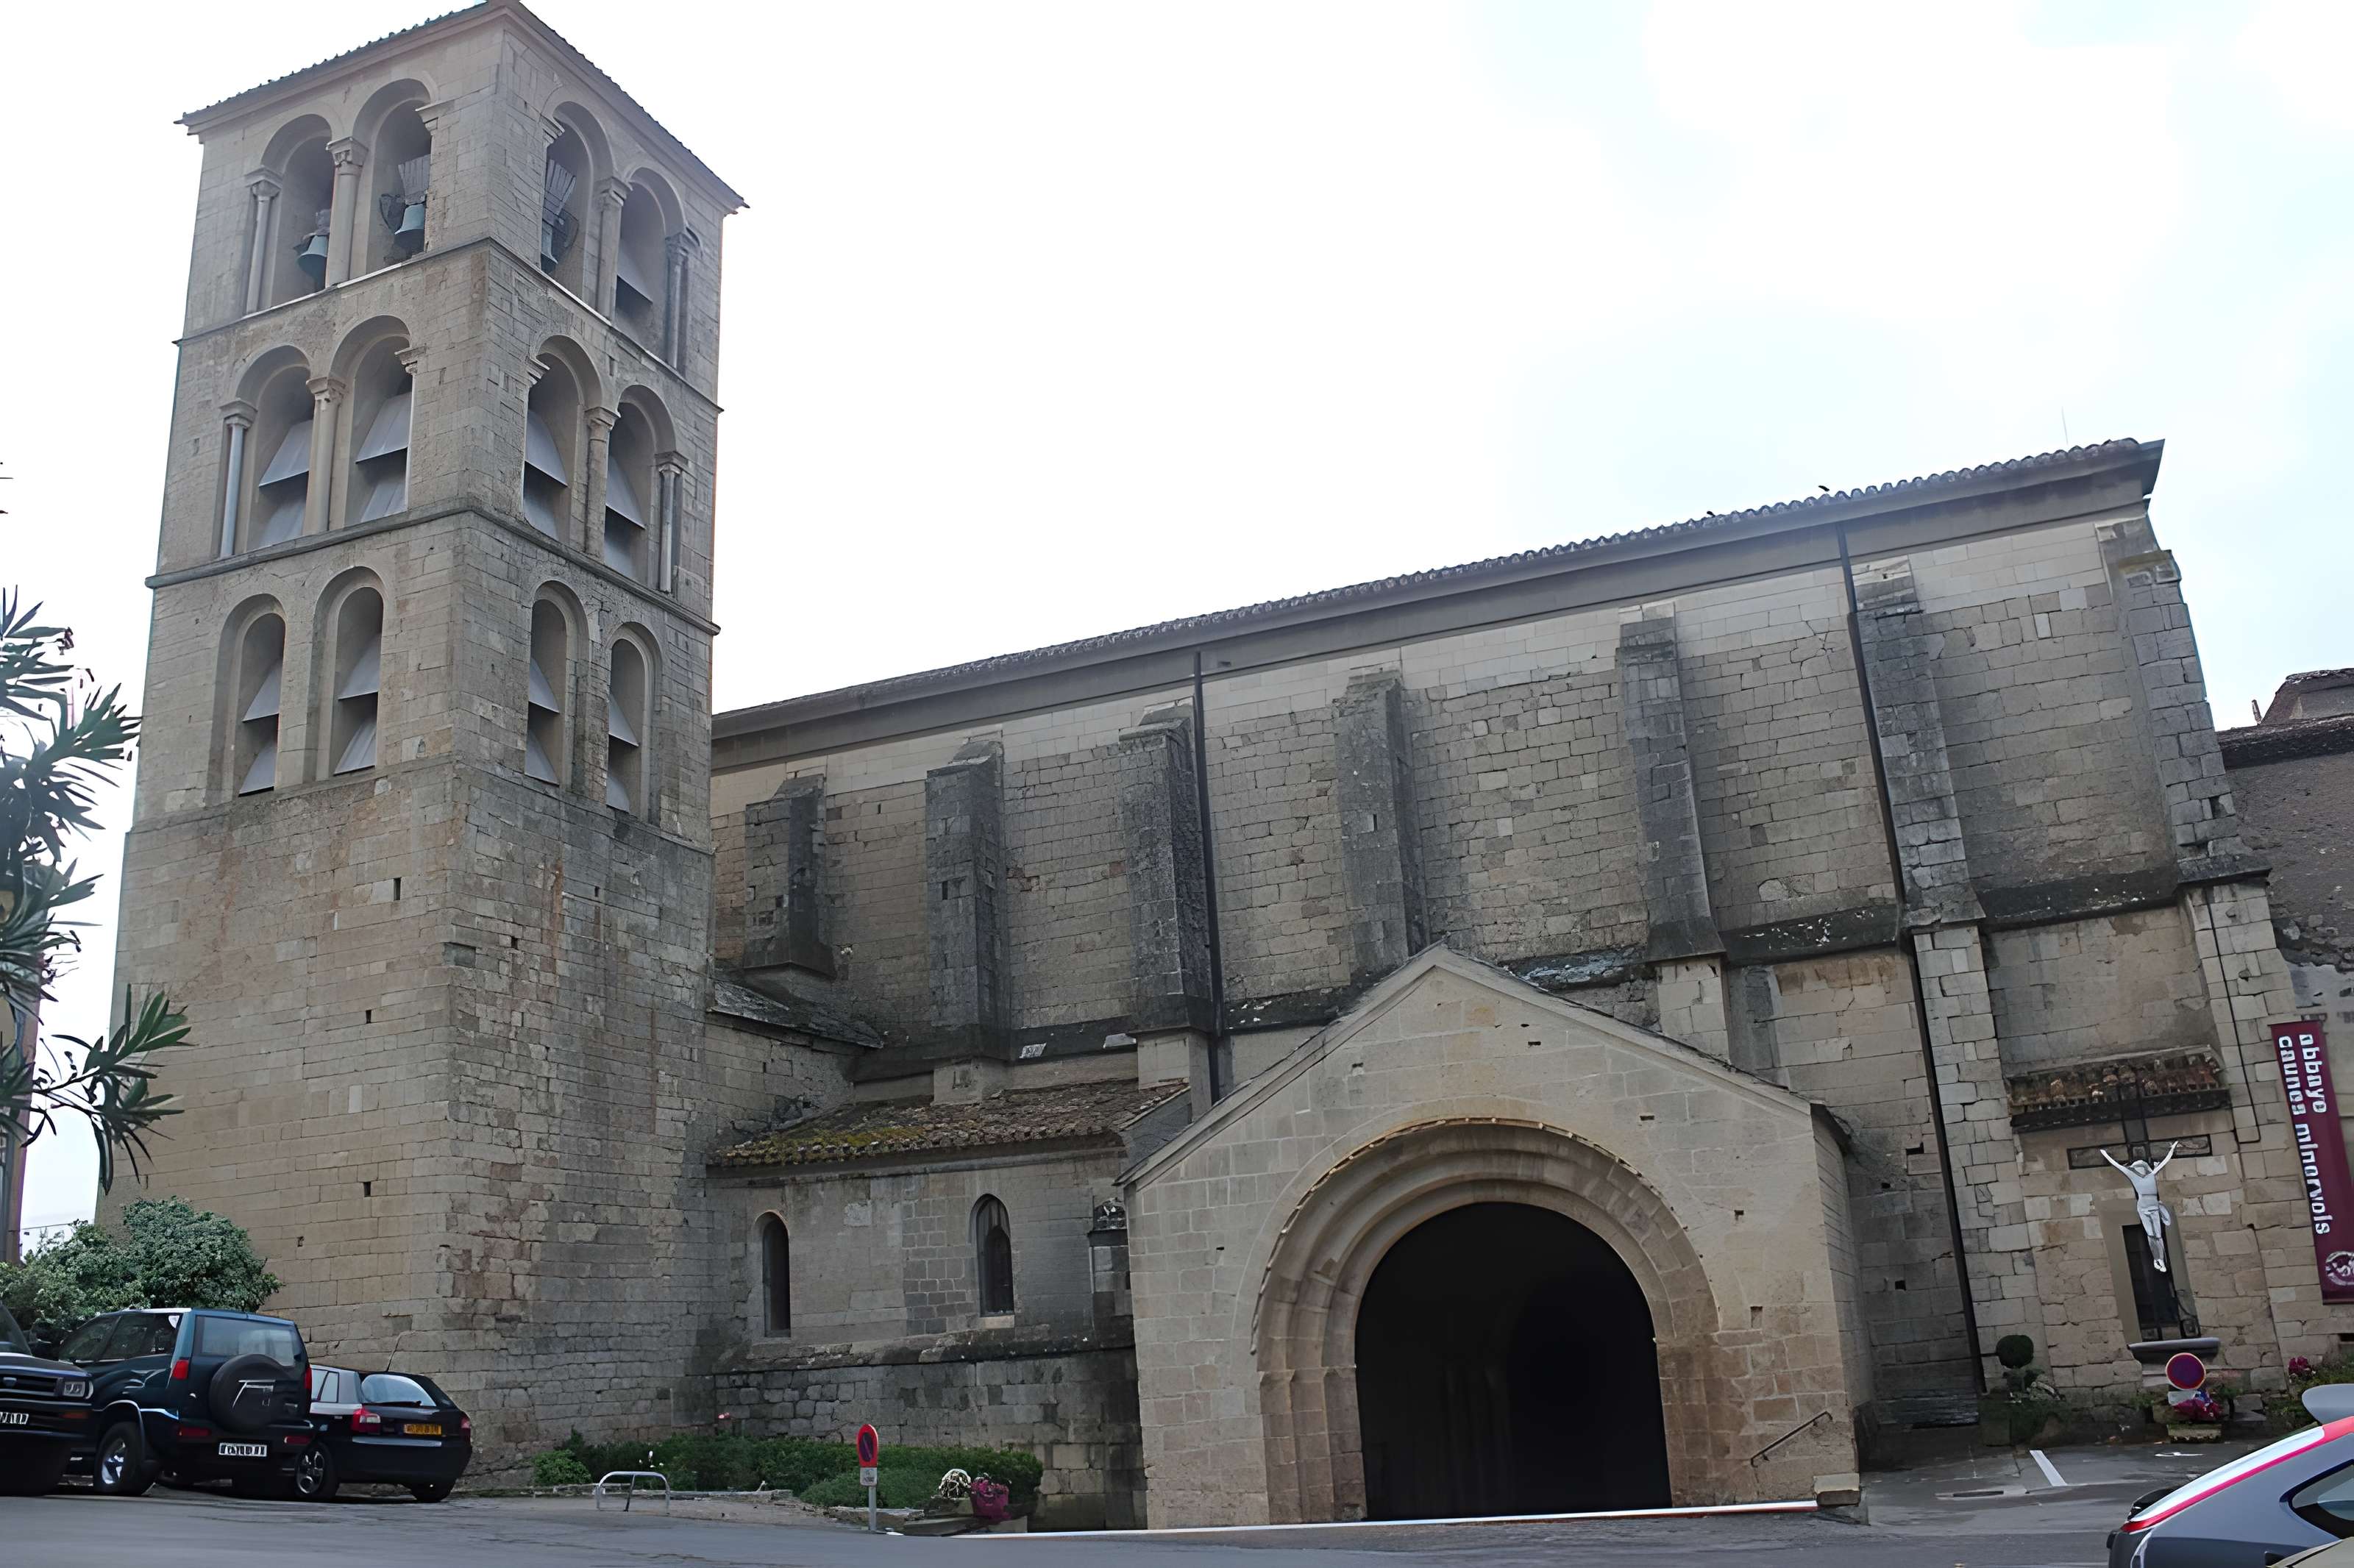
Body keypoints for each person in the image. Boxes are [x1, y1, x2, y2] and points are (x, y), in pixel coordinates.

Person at [2102, 1142, 2180, 1272]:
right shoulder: (2133, 1176)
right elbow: (2118, 1166)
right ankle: (2158, 1260)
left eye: (2142, 1167)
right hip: (2143, 1208)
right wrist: (2105, 1154)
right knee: (2152, 1235)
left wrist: (2172, 1149)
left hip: (2154, 1206)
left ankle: (2159, 1259)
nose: (2141, 1169)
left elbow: (2165, 1161)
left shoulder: (2151, 1174)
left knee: (2157, 1235)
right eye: (2138, 1167)